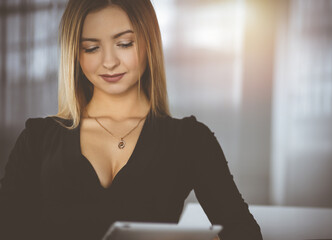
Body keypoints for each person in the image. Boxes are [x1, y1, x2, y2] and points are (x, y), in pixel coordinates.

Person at [0, 0, 262, 239]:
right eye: (91, 48)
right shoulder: (38, 139)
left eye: (124, 44)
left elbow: (243, 232)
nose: (109, 62)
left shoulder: (190, 140)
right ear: (75, 55)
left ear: (149, 41)